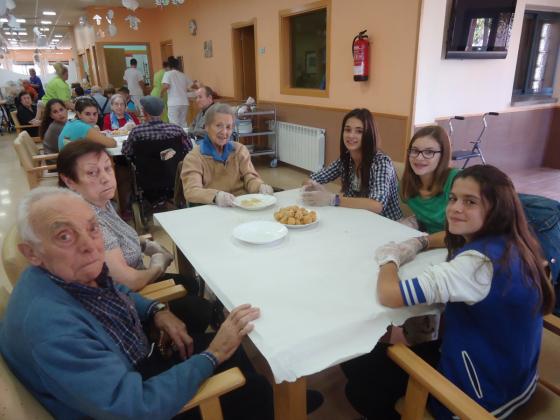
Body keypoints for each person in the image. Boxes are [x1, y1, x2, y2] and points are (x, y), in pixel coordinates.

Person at [0, 186, 274, 419]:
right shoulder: (51, 329)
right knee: (251, 388)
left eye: (92, 228)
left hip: (133, 362)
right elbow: (135, 408)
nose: (90, 245)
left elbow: (113, 290)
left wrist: (155, 310)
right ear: (31, 253)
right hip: (136, 397)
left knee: (232, 352)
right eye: (64, 236)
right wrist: (212, 355)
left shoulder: (64, 275)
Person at [344, 165, 555, 419]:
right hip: (515, 375)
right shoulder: (517, 242)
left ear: (496, 209)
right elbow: (448, 236)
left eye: (470, 202)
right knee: (364, 361)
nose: (455, 208)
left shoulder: (476, 265)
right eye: (453, 198)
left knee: (358, 381)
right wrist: (420, 241)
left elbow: (389, 294)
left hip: (481, 396)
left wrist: (390, 259)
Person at [302, 108, 402, 220]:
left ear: (369, 134)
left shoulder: (382, 162)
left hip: (386, 222)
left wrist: (332, 199)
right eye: (348, 130)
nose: (351, 135)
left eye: (359, 131)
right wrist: (312, 185)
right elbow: (312, 178)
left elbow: (377, 205)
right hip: (358, 218)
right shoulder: (346, 158)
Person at [181, 103, 273, 206]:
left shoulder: (239, 150)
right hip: (213, 208)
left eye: (228, 127)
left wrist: (259, 186)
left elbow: (250, 177)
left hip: (242, 206)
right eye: (219, 126)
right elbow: (192, 191)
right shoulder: (194, 158)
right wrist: (216, 196)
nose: (224, 132)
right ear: (206, 127)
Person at [122, 96, 192, 157]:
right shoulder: (177, 129)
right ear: (162, 112)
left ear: (144, 112)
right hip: (172, 167)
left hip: (145, 167)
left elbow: (126, 151)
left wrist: (125, 142)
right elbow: (189, 147)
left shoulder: (136, 132)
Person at [162, 56, 193, 128]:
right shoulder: (183, 75)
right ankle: (184, 134)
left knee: (174, 123)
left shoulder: (167, 74)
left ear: (169, 65)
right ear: (178, 65)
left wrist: (161, 93)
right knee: (183, 122)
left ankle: (176, 135)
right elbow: (191, 86)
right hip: (184, 102)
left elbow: (166, 86)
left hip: (173, 103)